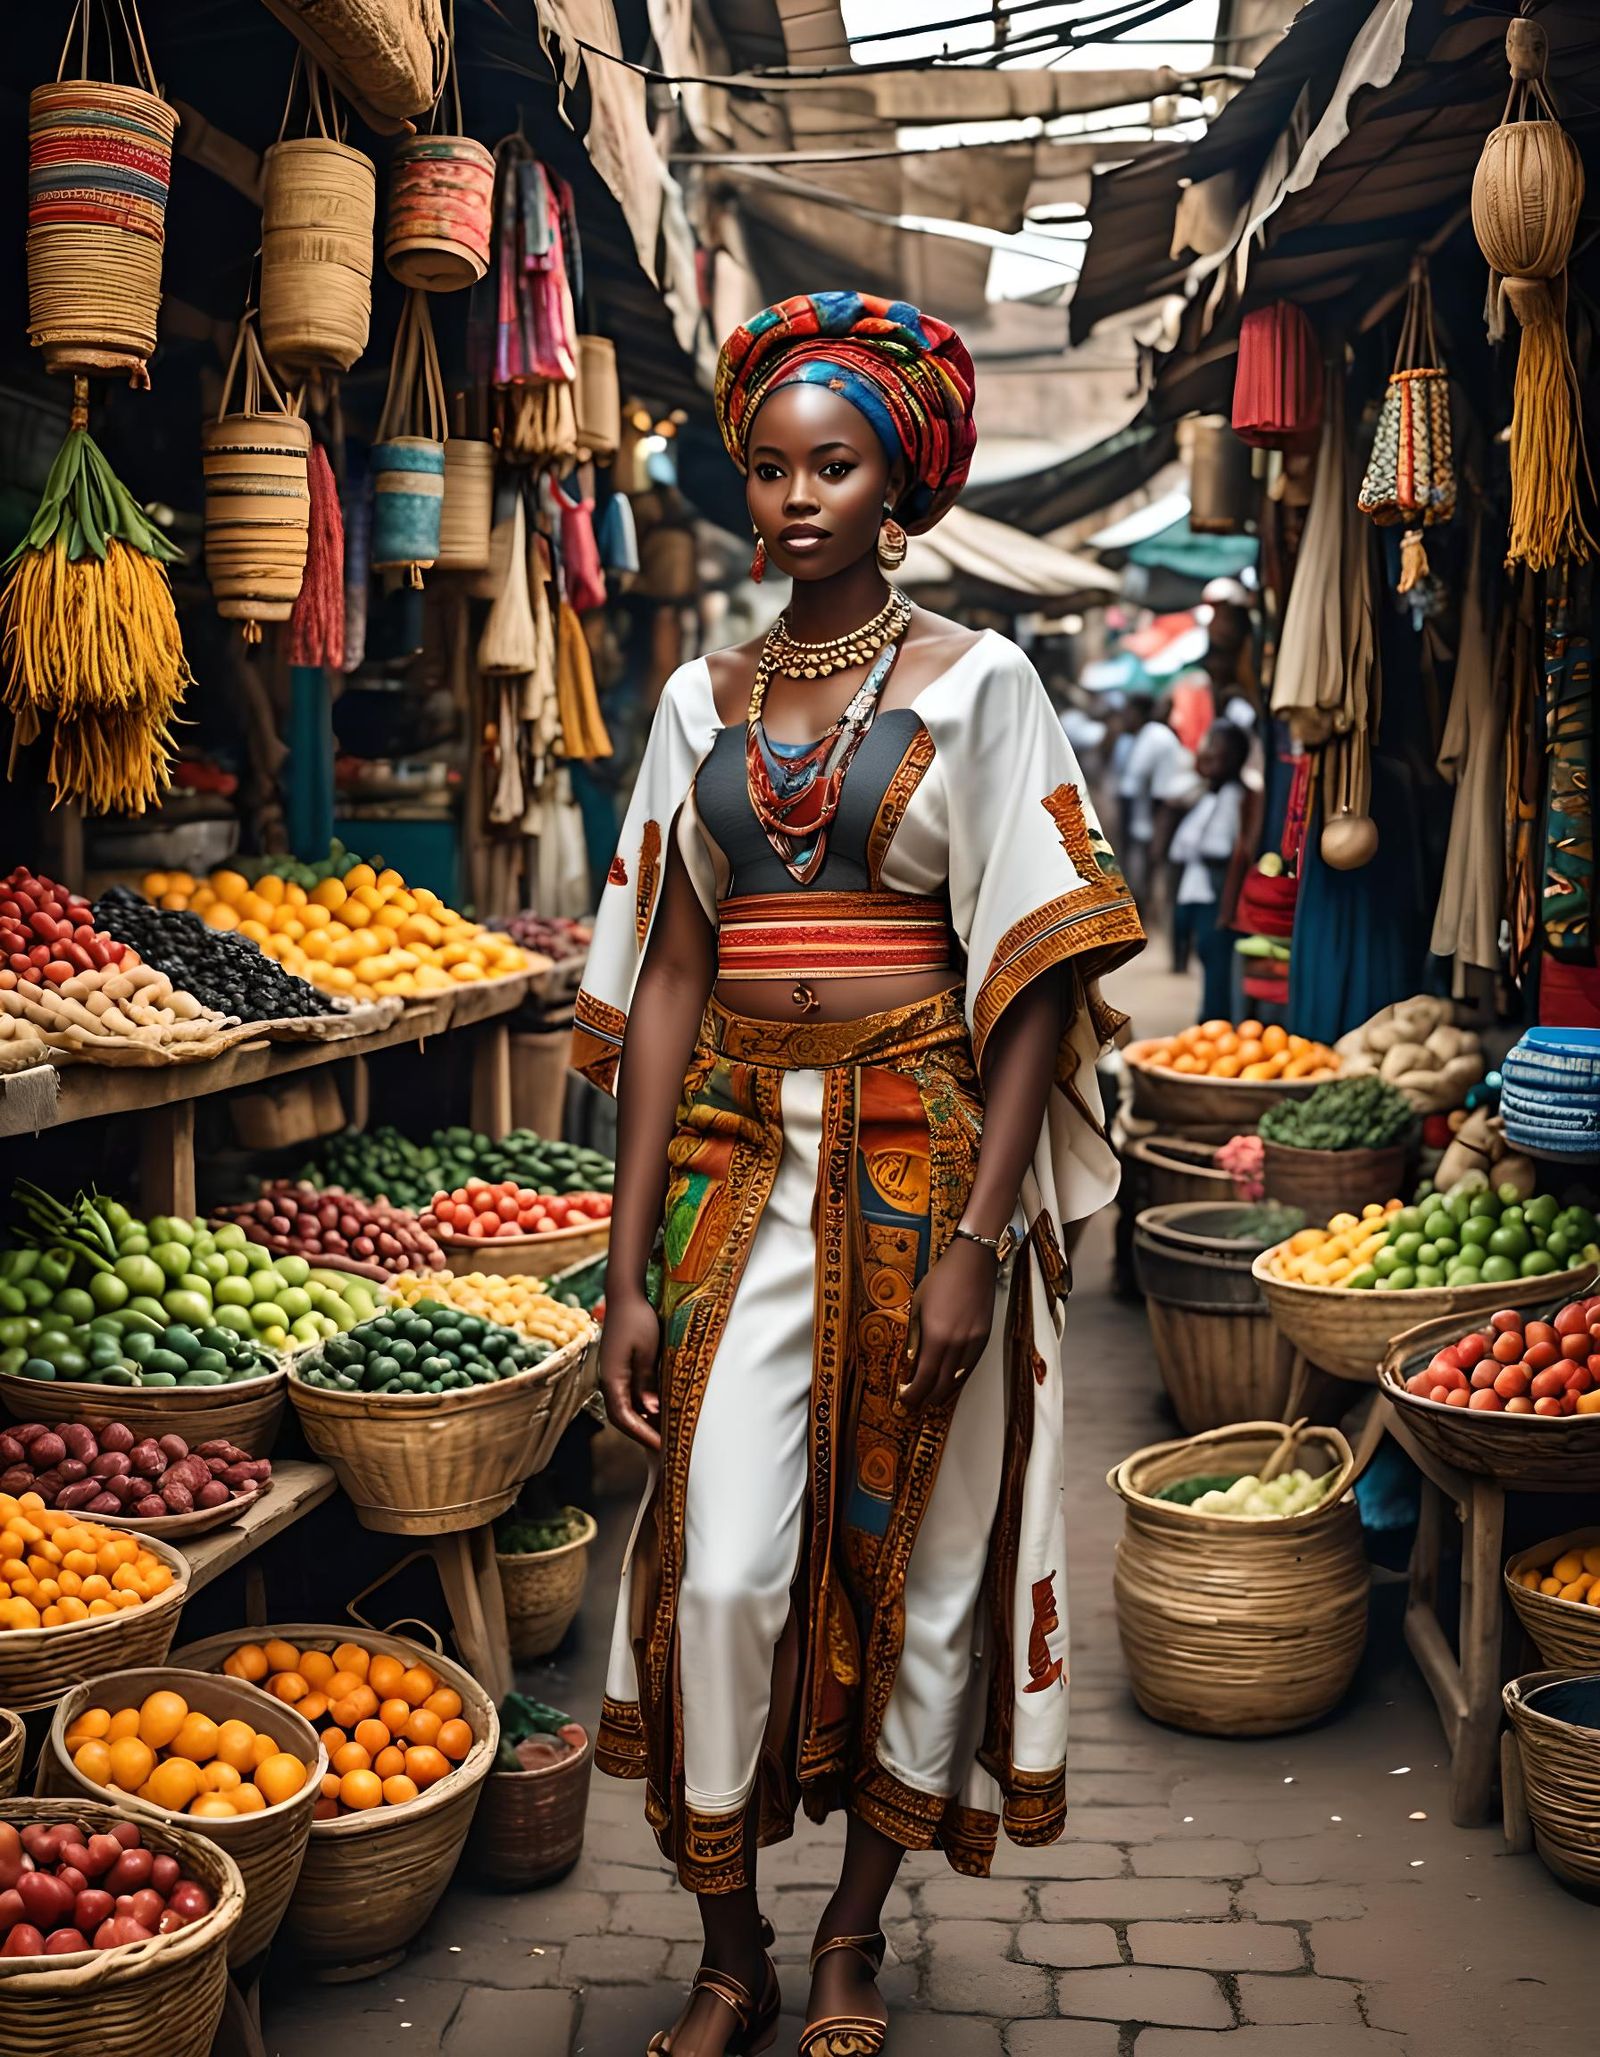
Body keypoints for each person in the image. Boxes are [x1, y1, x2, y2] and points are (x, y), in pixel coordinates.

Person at [573, 292, 1145, 2057]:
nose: (798, 493)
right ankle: (727, 1938)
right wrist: (621, 1262)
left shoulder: (985, 683)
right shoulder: (698, 696)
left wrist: (983, 1242)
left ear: (900, 481)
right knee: (723, 1569)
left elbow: (1038, 971)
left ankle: (848, 1936)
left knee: (929, 1562)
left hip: (925, 1168)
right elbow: (669, 971)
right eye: (771, 465)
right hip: (738, 1169)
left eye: (836, 464)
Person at [1168, 719, 1253, 1021]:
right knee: (1207, 959)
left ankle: (1215, 1024)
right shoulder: (1209, 794)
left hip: (1216, 897)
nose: (1207, 753)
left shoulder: (1236, 797)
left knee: (1217, 965)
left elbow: (1219, 849)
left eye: (1215, 748)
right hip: (1198, 893)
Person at [1116, 692, 1194, 921]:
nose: (1124, 718)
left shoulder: (1153, 736)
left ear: (1138, 714)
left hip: (1155, 822)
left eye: (1127, 713)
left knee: (1148, 879)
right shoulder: (1149, 735)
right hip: (1152, 821)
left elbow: (1136, 787)